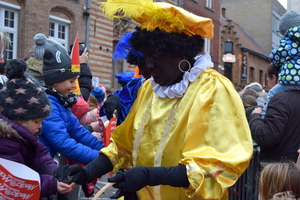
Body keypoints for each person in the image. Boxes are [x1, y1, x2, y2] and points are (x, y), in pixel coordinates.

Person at [54, 1, 253, 199]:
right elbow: (123, 145)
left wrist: (151, 175)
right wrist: (88, 172)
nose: (148, 65)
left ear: (180, 52)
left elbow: (220, 166)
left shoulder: (213, 90)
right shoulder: (150, 88)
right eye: (145, 55)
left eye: (156, 55)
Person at [0, 59, 75, 198]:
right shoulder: (6, 143)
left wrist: (57, 173)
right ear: (18, 118)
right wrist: (52, 184)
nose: (40, 126)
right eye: (36, 121)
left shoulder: (24, 134)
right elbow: (16, 183)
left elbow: (40, 156)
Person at [38, 45, 104, 165]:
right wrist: (102, 160)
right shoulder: (48, 105)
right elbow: (63, 143)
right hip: (40, 167)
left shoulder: (61, 102)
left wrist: (106, 152)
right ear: (56, 81)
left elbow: (79, 132)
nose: (74, 86)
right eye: (71, 81)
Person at [262, 11, 300, 118]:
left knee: (272, 95)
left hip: (289, 81)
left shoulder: (288, 42)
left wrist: (273, 57)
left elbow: (278, 56)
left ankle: (264, 116)